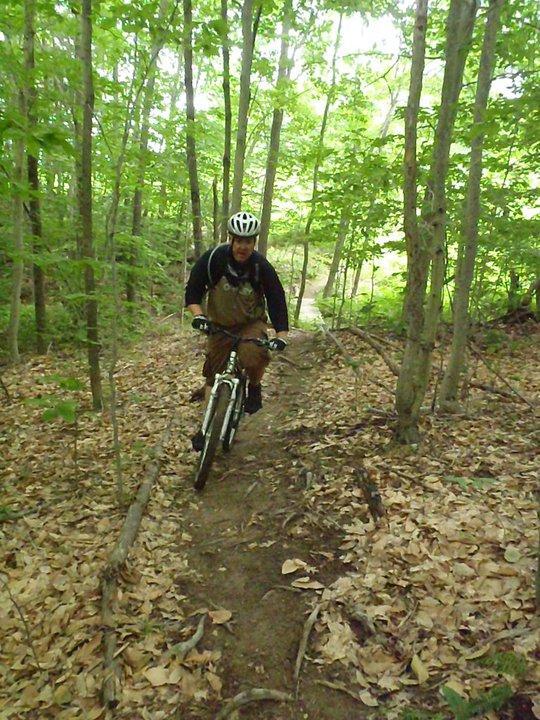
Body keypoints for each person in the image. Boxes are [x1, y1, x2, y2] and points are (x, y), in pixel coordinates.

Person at [185, 211, 289, 450]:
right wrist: (199, 316)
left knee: (253, 354)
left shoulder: (261, 267)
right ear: (231, 239)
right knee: (212, 376)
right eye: (239, 240)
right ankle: (206, 427)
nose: (243, 246)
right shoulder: (213, 260)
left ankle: (253, 386)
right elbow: (193, 291)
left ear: (254, 242)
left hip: (250, 324)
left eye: (248, 241)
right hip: (219, 325)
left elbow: (276, 301)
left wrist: (281, 336)